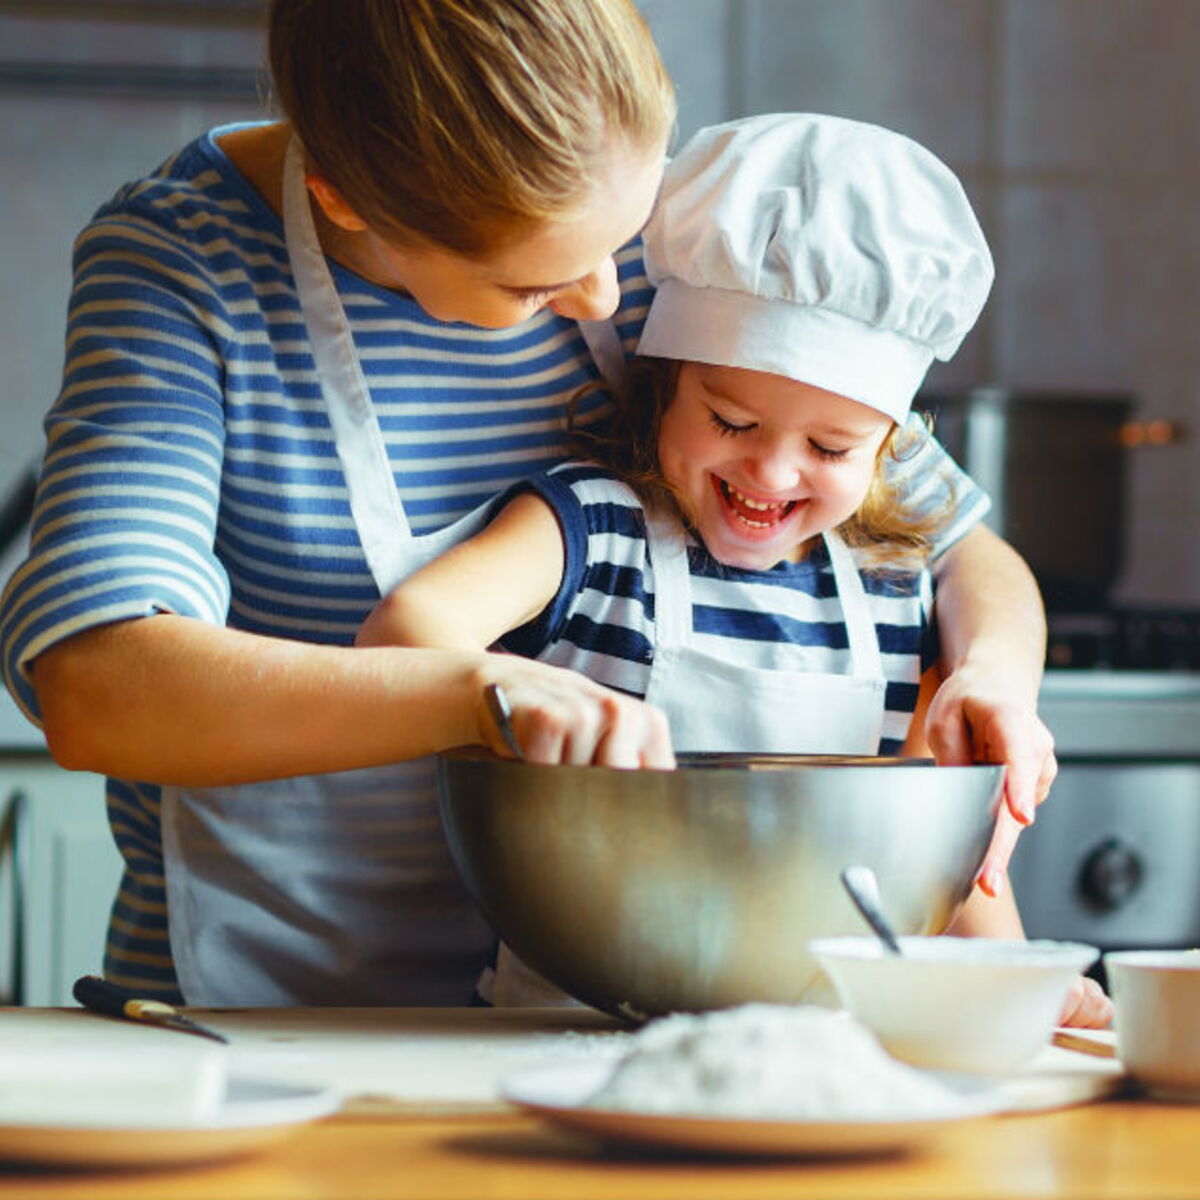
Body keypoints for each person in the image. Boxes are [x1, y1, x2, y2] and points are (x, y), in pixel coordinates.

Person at [0, 0, 1051, 1009]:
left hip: (590, 1014)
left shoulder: (679, 240)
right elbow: (97, 680)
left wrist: (993, 674)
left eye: (624, 239)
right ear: (343, 199)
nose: (606, 297)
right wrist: (475, 695)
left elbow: (954, 545)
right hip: (271, 1009)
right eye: (533, 286)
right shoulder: (189, 264)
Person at [359, 113, 1110, 1026]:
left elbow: (945, 861)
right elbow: (404, 632)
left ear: (892, 451)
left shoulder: (889, 581)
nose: (773, 472)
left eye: (832, 446)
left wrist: (1012, 984)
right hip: (565, 1026)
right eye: (731, 422)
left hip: (826, 1050)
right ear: (665, 383)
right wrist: (509, 695)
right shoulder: (595, 529)